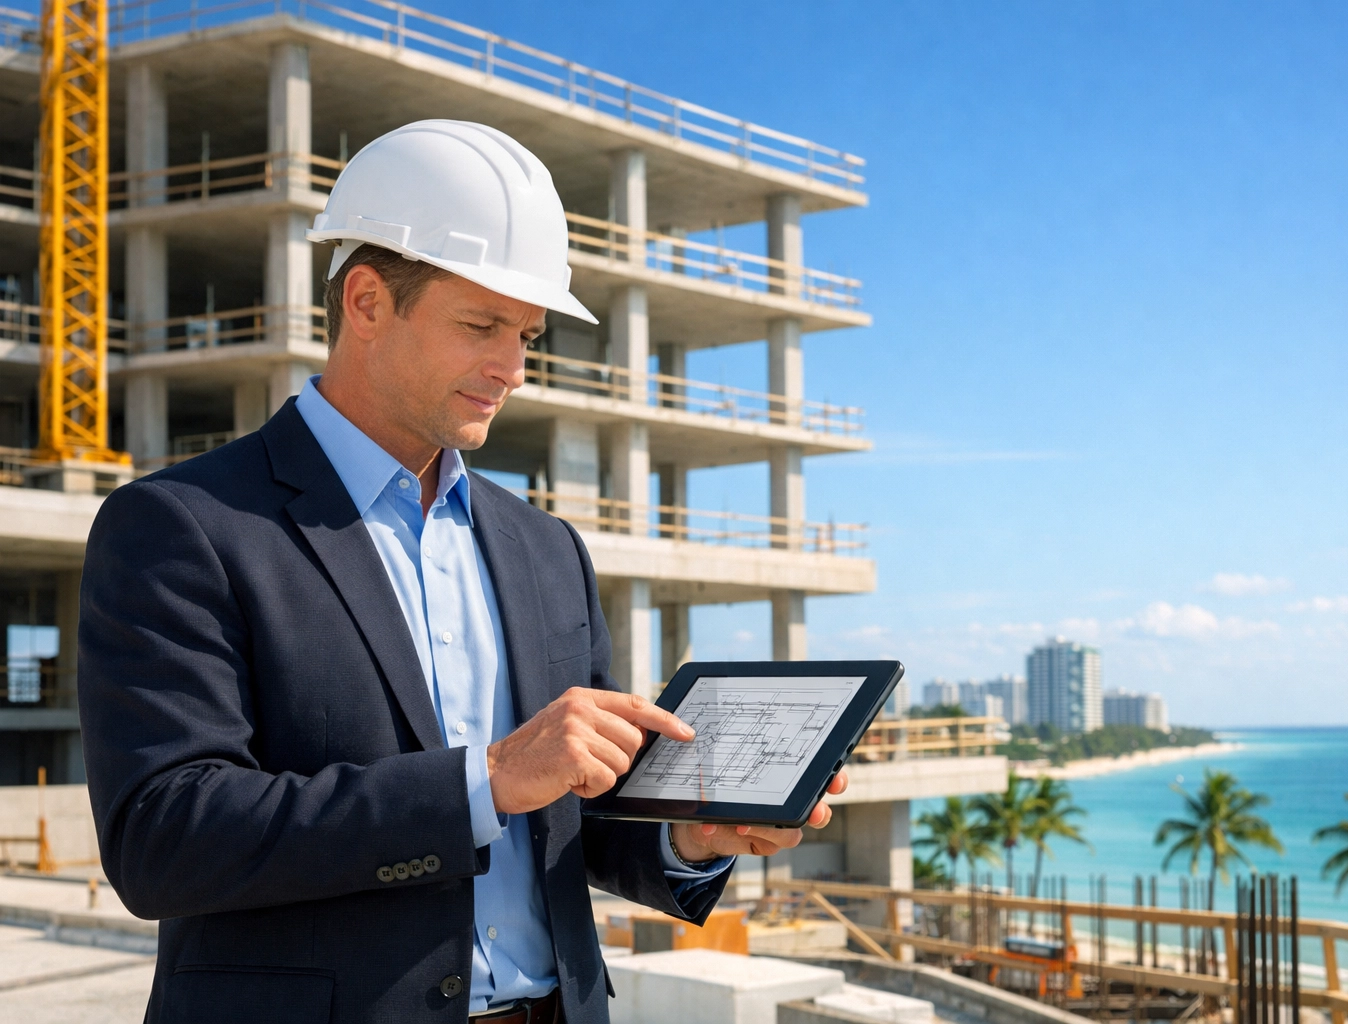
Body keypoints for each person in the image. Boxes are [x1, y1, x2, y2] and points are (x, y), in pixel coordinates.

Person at [77, 120, 848, 1024]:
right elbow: (164, 839)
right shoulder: (182, 527)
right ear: (365, 302)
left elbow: (567, 815)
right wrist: (480, 782)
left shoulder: (547, 549)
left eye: (527, 333)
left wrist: (685, 835)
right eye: (481, 325)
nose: (512, 368)